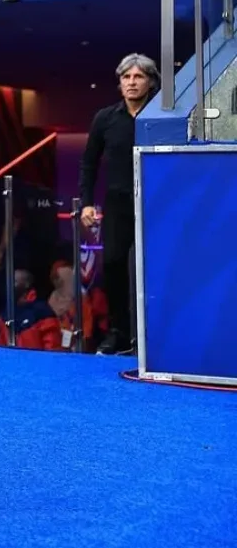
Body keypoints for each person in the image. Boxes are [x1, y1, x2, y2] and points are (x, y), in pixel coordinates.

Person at [78, 53, 158, 356]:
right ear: (120, 83)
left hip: (155, 202)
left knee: (153, 268)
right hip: (118, 202)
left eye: (138, 77)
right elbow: (88, 163)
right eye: (126, 78)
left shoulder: (163, 114)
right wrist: (86, 203)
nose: (132, 83)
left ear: (150, 81)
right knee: (112, 264)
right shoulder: (105, 118)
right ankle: (119, 333)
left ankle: (152, 335)